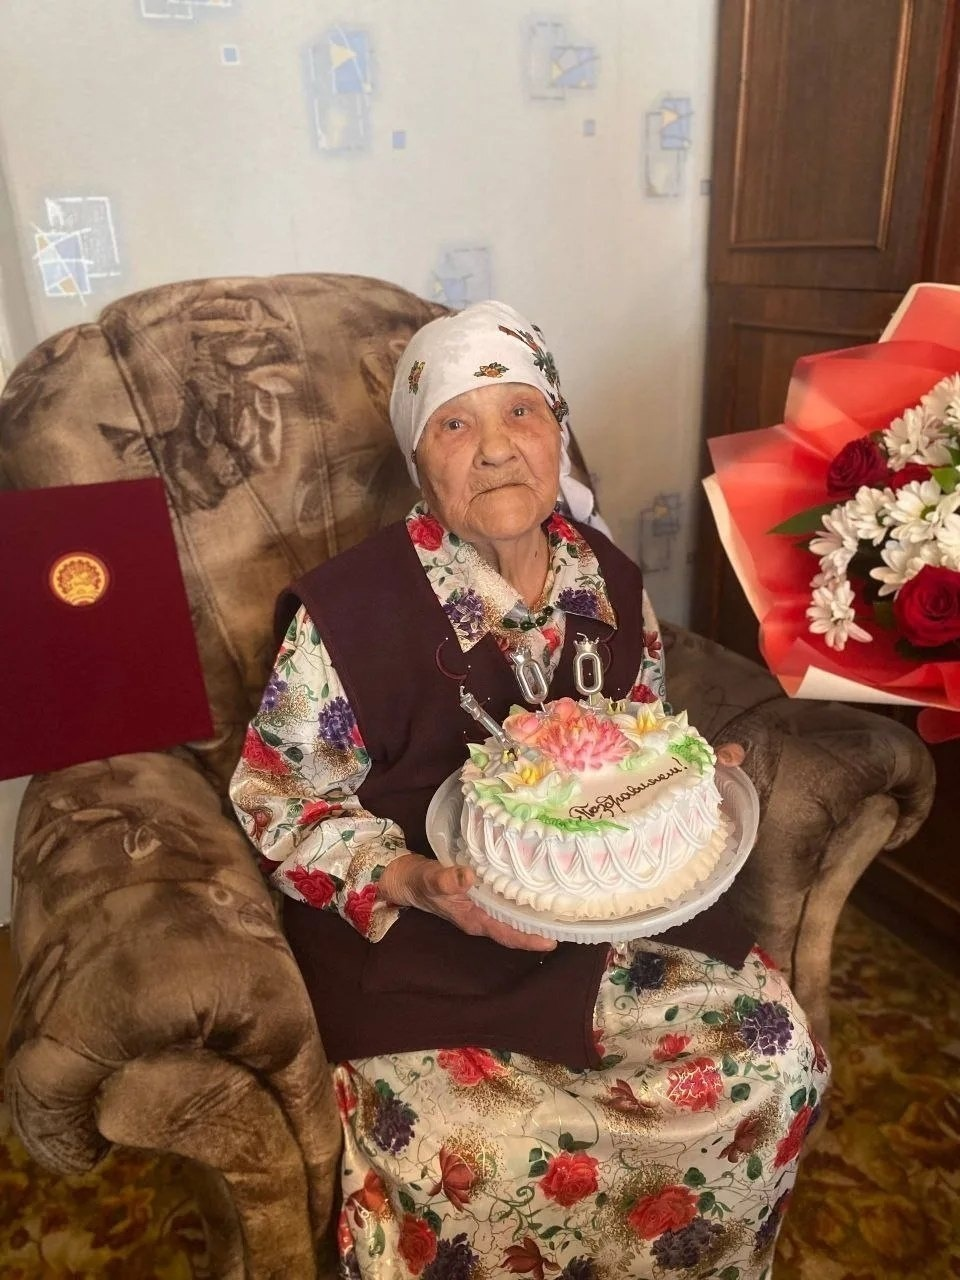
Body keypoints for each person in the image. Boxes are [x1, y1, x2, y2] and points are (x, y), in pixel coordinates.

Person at [230, 301, 829, 1280]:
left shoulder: (611, 582)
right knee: (476, 1148)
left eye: (522, 412)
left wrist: (686, 775)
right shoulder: (347, 612)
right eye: (456, 424)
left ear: (558, 432)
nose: (497, 446)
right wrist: (413, 879)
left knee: (775, 1061)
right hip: (422, 940)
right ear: (420, 461)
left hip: (613, 916)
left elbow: (636, 735)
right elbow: (277, 804)